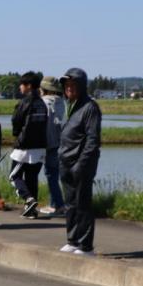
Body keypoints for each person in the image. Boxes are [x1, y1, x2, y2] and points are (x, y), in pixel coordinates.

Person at [58, 68, 102, 255]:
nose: (69, 88)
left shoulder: (90, 108)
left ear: (82, 86)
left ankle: (86, 245)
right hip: (65, 161)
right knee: (70, 204)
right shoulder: (71, 106)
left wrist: (80, 164)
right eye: (66, 85)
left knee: (82, 203)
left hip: (81, 164)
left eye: (73, 85)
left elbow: (92, 141)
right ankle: (73, 240)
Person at [9, 71, 48, 219]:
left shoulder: (24, 102)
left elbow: (16, 121)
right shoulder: (42, 103)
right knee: (32, 178)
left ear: (29, 86)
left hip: (23, 147)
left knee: (14, 176)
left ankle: (28, 199)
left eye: (22, 84)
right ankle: (31, 210)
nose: (20, 87)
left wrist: (16, 136)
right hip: (40, 146)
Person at [39, 76, 67, 216]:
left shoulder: (43, 103)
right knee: (55, 174)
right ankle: (53, 204)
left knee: (50, 175)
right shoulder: (62, 102)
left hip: (49, 143)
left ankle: (59, 206)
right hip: (63, 143)